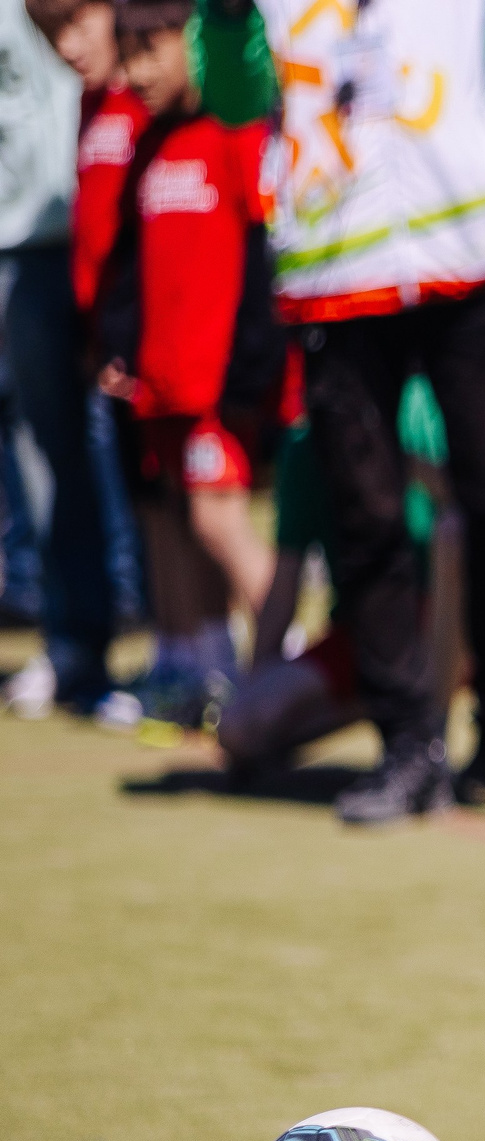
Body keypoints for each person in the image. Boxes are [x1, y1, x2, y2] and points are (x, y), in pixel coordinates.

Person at [195, 0, 485, 821]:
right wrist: (220, 14)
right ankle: (404, 743)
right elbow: (234, 97)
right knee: (367, 518)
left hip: (474, 260)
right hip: (334, 269)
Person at [78, 1, 291, 729]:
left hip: (216, 383)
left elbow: (262, 260)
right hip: (161, 381)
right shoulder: (152, 140)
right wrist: (122, 348)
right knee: (174, 523)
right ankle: (210, 672)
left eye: (152, 51)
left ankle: (287, 667)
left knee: (216, 521)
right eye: (127, 54)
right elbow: (137, 268)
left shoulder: (232, 135)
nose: (136, 71)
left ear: (194, 45)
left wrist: (246, 376)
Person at [3, 0, 121, 721]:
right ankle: (70, 642)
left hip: (78, 234)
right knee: (36, 454)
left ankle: (101, 641)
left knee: (88, 448)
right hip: (21, 244)